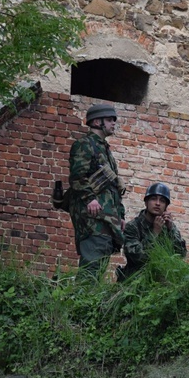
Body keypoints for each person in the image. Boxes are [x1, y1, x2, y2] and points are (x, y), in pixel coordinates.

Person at [68, 103, 126, 279]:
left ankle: (87, 302)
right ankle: (80, 301)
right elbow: (77, 177)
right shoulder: (84, 145)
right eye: (109, 120)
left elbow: (113, 188)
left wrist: (120, 216)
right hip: (93, 217)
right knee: (92, 265)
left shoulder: (105, 150)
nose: (113, 123)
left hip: (107, 218)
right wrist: (89, 199)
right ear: (96, 122)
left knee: (100, 262)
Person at [117, 183, 187, 282]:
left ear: (166, 206)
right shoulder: (133, 226)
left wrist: (171, 229)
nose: (158, 203)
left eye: (162, 201)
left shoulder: (168, 226)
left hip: (162, 280)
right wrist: (154, 233)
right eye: (154, 199)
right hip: (135, 280)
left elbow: (181, 254)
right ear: (146, 202)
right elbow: (138, 258)